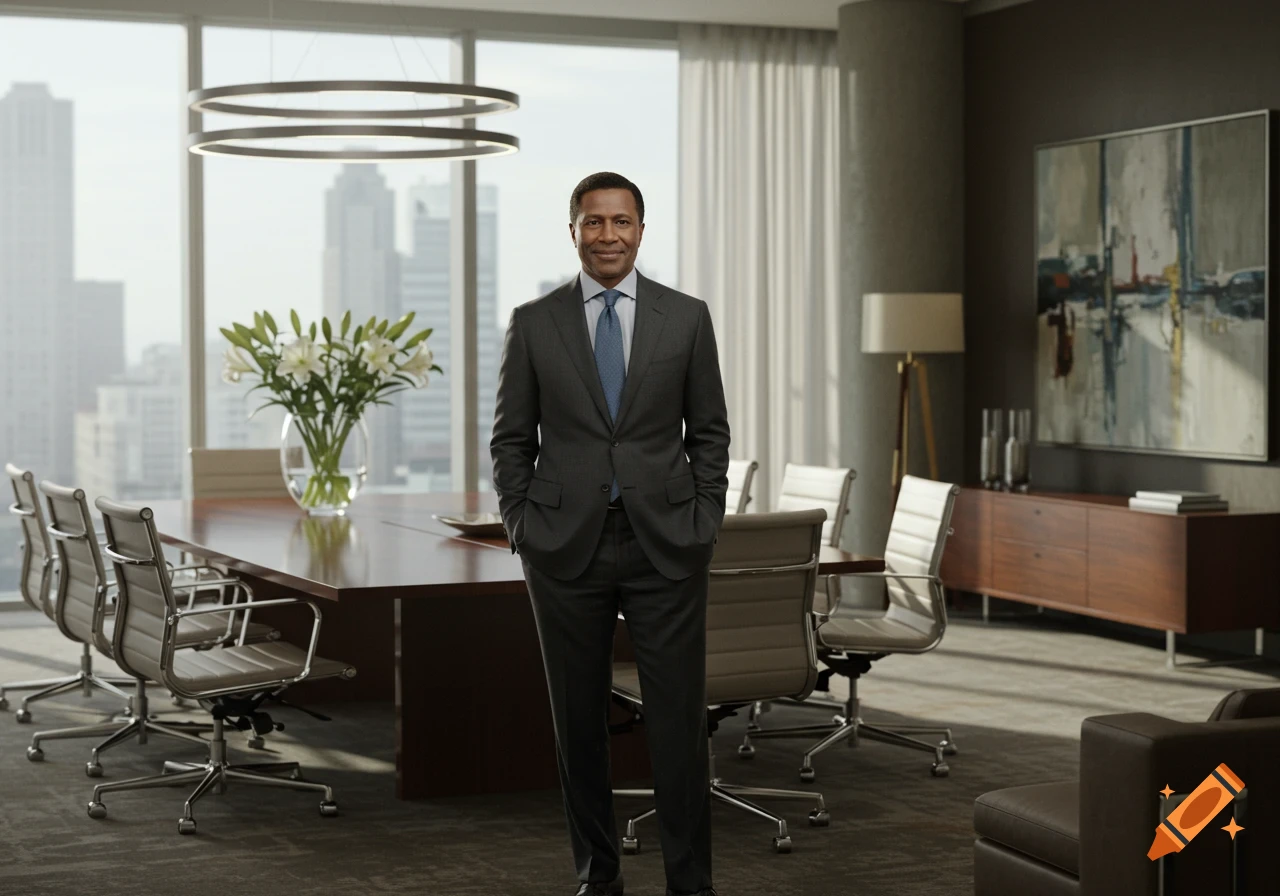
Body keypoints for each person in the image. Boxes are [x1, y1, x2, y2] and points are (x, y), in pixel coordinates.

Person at [491, 171, 730, 896]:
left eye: (621, 222)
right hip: (565, 548)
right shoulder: (534, 323)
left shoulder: (686, 319)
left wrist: (703, 522)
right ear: (573, 232)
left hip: (667, 545)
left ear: (640, 231)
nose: (607, 236)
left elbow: (710, 434)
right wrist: (523, 525)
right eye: (593, 223)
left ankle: (691, 883)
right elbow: (510, 440)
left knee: (678, 728)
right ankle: (599, 877)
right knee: (579, 728)